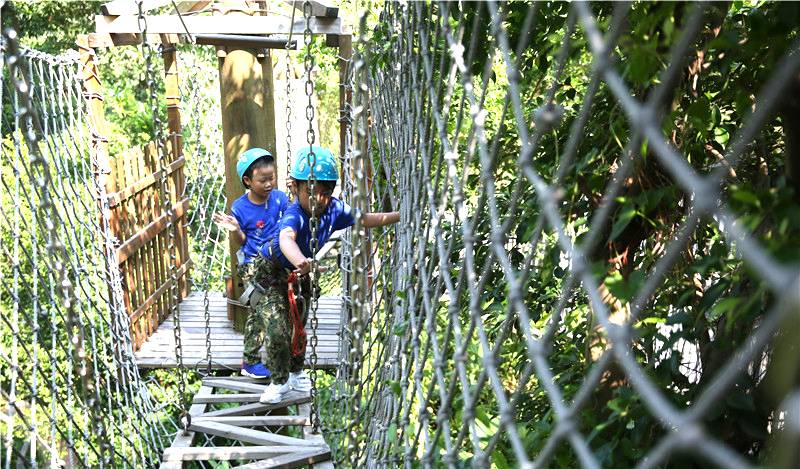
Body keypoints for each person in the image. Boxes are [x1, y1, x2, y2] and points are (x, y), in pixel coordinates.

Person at [256, 146, 400, 403]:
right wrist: (302, 261)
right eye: (310, 192)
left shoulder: (334, 209)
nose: (317, 200)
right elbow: (286, 238)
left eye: (324, 193)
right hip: (274, 271)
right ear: (295, 188)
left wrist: (399, 216)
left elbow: (365, 218)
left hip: (301, 274)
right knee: (278, 329)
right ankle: (279, 382)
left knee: (299, 322)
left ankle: (297, 372)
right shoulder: (295, 214)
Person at [212, 147, 289, 379]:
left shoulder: (280, 198)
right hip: (254, 265)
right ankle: (267, 364)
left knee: (264, 310)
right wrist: (235, 229)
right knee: (268, 309)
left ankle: (251, 359)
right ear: (247, 180)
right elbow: (241, 241)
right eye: (262, 180)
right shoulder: (240, 207)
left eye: (272, 178)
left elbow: (288, 225)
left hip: (279, 259)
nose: (269, 184)